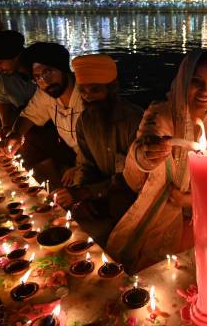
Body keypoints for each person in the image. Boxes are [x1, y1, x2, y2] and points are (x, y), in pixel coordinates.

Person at [107, 49, 207, 273]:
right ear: (183, 80)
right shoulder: (160, 114)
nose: (205, 91)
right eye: (196, 81)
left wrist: (193, 200)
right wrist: (146, 156)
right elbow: (142, 150)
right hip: (162, 214)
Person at [53, 54, 143, 245]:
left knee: (119, 204)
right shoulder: (85, 121)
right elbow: (86, 164)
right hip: (99, 190)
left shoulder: (134, 121)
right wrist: (80, 197)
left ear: (111, 89)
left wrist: (86, 193)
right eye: (83, 91)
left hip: (132, 193)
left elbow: (129, 179)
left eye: (95, 90)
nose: (88, 97)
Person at [0, 42, 79, 187]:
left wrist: (80, 167)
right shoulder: (46, 93)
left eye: (48, 72)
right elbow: (29, 115)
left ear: (63, 68)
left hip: (96, 162)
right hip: (74, 156)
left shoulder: (86, 94)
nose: (45, 81)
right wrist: (16, 135)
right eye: (37, 77)